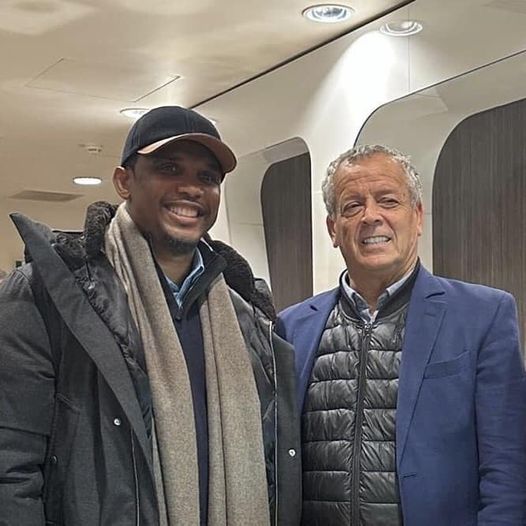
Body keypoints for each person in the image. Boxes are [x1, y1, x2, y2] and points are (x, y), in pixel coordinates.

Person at [0, 106, 301, 526]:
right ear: (124, 181)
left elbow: (272, 463)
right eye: (168, 168)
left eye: (207, 177)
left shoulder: (247, 317)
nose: (191, 188)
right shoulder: (50, 296)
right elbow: (11, 465)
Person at [276, 144, 526, 526]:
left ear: (418, 216)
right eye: (352, 206)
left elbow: (507, 467)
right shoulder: (291, 328)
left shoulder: (483, 315)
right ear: (333, 229)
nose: (371, 216)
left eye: (388, 201)